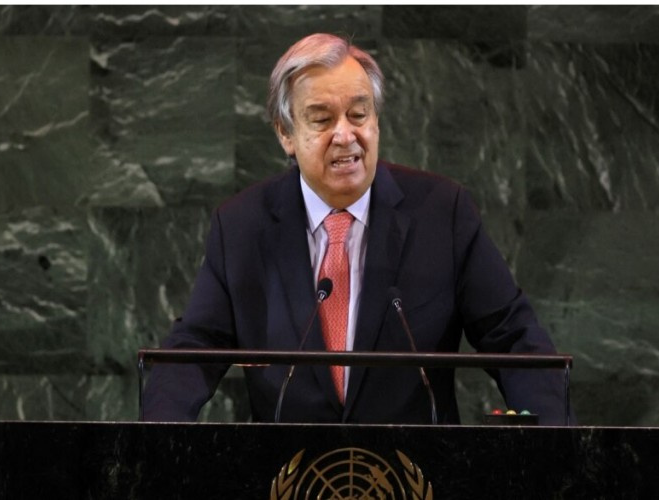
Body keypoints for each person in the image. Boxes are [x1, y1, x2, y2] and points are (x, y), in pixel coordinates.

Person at [143, 33, 571, 425]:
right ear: (286, 133)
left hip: (415, 470)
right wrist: (153, 440)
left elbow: (513, 338)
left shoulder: (442, 213)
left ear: (376, 121)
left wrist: (557, 442)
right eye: (322, 119)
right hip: (291, 472)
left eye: (358, 114)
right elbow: (194, 349)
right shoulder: (241, 225)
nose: (345, 135)